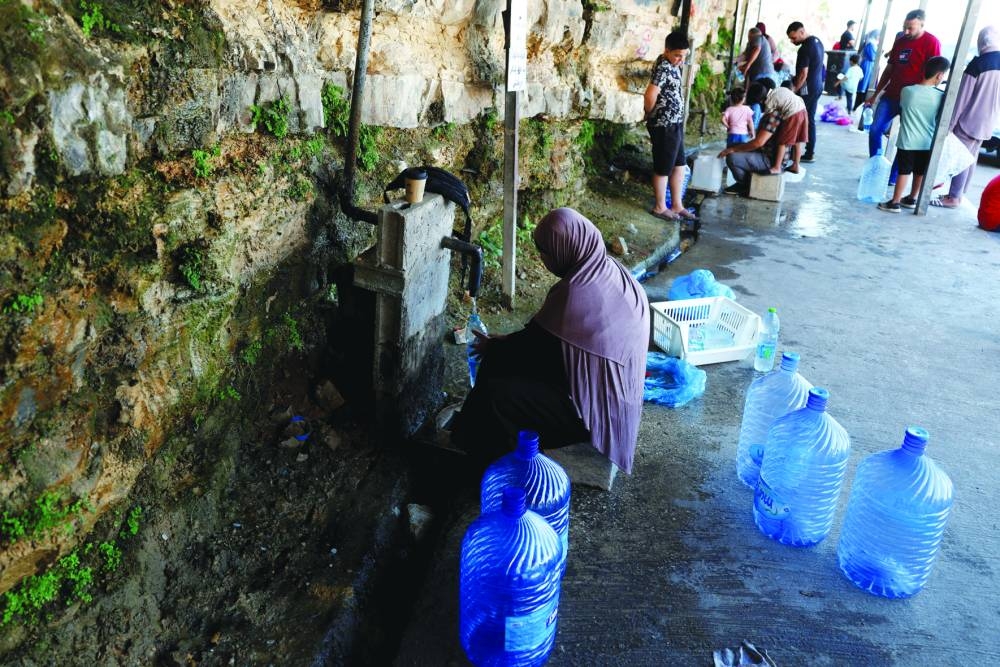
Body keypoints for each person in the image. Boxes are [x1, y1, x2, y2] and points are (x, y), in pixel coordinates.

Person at [450, 208, 650, 474]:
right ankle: (473, 437)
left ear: (565, 249)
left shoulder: (577, 293)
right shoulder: (609, 271)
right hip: (613, 399)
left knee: (496, 396)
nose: (542, 258)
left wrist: (496, 348)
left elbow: (536, 348)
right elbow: (543, 342)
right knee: (502, 356)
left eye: (545, 251)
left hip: (592, 414)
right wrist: (504, 345)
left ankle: (506, 471)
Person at [934, 26, 1000, 209]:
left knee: (960, 156)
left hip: (968, 121)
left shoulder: (978, 64)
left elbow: (961, 99)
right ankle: (959, 194)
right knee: (971, 157)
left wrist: (949, 124)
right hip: (988, 122)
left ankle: (954, 198)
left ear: (982, 42)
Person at [864, 10, 941, 164]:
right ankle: (876, 166)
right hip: (891, 96)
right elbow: (889, 69)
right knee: (875, 130)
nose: (906, 31)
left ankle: (894, 176)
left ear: (921, 24)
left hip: (913, 100)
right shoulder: (900, 40)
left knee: (906, 139)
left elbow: (937, 72)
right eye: (904, 27)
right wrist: (875, 94)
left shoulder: (932, 42)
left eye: (910, 28)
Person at [877, 56, 950, 213]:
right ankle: (911, 198)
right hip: (927, 142)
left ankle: (895, 202)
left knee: (904, 170)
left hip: (908, 141)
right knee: (919, 171)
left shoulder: (907, 91)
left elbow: (903, 108)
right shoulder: (940, 96)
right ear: (939, 76)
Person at [717, 81, 809, 195]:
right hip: (801, 111)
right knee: (793, 140)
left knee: (732, 157)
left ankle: (746, 184)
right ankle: (795, 165)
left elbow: (759, 142)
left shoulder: (773, 113)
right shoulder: (781, 103)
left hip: (770, 159)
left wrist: (731, 150)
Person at [644, 30, 697, 221]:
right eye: (677, 55)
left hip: (675, 123)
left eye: (683, 56)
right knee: (663, 167)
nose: (680, 60)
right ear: (667, 50)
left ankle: (677, 204)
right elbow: (650, 94)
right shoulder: (664, 66)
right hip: (664, 124)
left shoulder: (673, 64)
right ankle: (660, 207)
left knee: (680, 164)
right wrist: (650, 113)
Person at [786, 21, 825, 163]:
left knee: (796, 118)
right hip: (817, 86)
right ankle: (809, 153)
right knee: (809, 119)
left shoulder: (805, 48)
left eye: (794, 38)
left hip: (807, 89)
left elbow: (803, 74)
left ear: (802, 32)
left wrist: (794, 90)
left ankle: (791, 153)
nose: (792, 41)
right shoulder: (818, 42)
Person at [855, 30, 879, 110]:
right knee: (863, 86)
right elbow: (872, 57)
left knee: (865, 86)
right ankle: (858, 105)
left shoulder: (872, 44)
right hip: (868, 66)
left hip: (869, 66)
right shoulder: (871, 44)